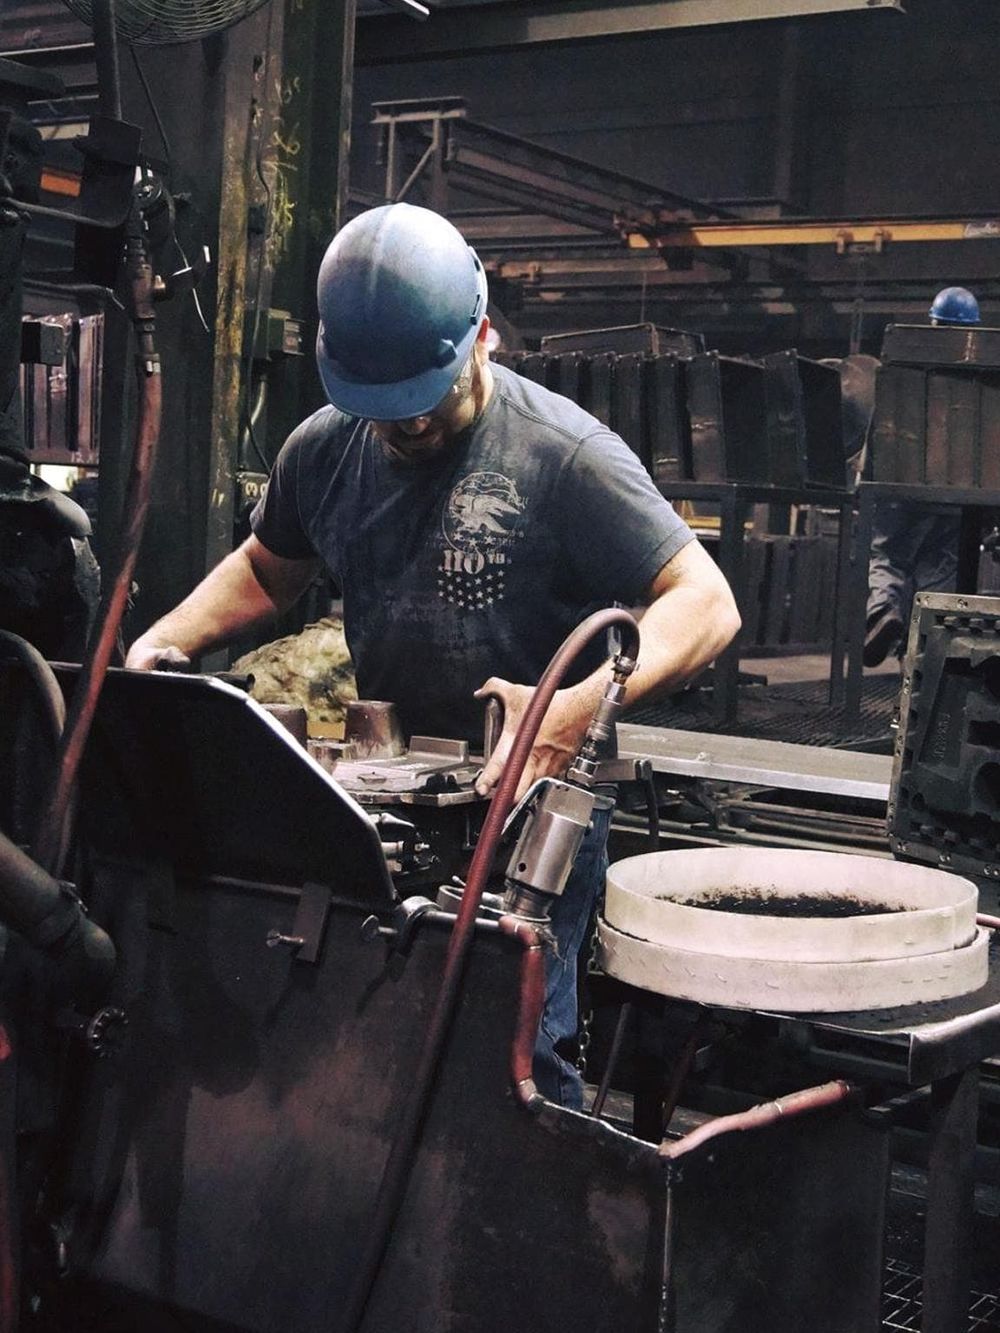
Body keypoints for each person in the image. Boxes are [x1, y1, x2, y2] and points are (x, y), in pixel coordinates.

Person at [125, 203, 740, 1107]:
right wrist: (165, 639)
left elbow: (708, 604)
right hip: (386, 799)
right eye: (381, 409)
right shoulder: (327, 448)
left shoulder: (565, 457)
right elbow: (268, 568)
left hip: (532, 808)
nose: (403, 428)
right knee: (374, 1036)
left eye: (423, 401)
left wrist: (574, 707)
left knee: (515, 1057)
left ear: (481, 334)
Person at [863, 287, 979, 666]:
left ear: (933, 320)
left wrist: (866, 478)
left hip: (901, 487)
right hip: (955, 497)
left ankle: (883, 612)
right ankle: (922, 662)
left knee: (886, 553)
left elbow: (882, 426)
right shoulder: (980, 376)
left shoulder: (904, 362)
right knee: (937, 575)